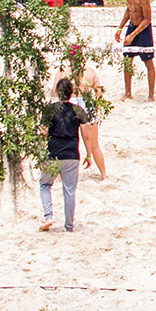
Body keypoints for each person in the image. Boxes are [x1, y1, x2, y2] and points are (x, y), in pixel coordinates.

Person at [39, 77, 90, 232]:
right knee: (69, 190)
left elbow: (42, 132)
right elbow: (86, 135)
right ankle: (69, 225)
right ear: (71, 93)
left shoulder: (49, 109)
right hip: (72, 155)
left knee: (45, 185)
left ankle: (48, 216)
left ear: (57, 92)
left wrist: (41, 153)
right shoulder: (78, 110)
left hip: (53, 153)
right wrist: (89, 155)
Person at [117, 0, 156, 100]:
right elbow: (129, 10)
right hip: (132, 27)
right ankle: (127, 93)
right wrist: (120, 28)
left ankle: (151, 95)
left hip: (143, 30)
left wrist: (133, 35)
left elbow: (147, 19)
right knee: (127, 60)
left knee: (148, 62)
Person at [72, 64, 108, 180]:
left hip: (70, 103)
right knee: (94, 145)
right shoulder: (90, 72)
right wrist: (96, 108)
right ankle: (103, 174)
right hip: (87, 103)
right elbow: (99, 92)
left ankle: (57, 177)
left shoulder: (64, 71)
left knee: (65, 141)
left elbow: (54, 91)